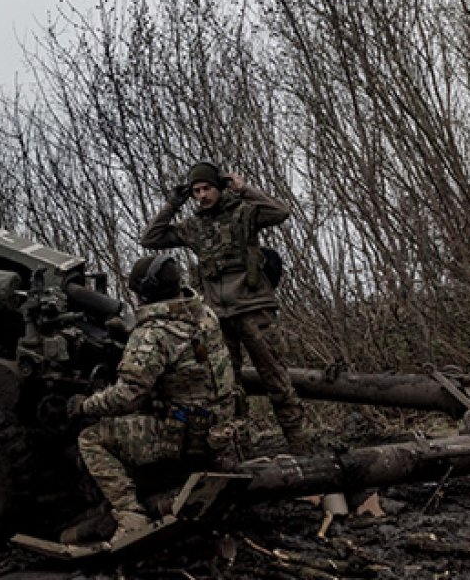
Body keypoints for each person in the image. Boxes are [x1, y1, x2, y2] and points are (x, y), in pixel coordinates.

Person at [64, 255, 238, 546]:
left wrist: (84, 405)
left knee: (91, 438)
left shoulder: (153, 334)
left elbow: (126, 396)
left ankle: (129, 515)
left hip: (186, 437)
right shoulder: (204, 314)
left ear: (143, 293)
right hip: (220, 427)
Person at [140, 161, 307, 453]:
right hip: (219, 317)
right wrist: (174, 202)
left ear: (219, 188)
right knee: (228, 390)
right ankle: (242, 450)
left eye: (206, 189)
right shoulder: (193, 227)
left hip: (254, 308)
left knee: (277, 381)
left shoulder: (243, 213)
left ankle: (302, 447)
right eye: (196, 191)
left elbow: (281, 212)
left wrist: (244, 189)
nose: (202, 196)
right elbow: (150, 238)